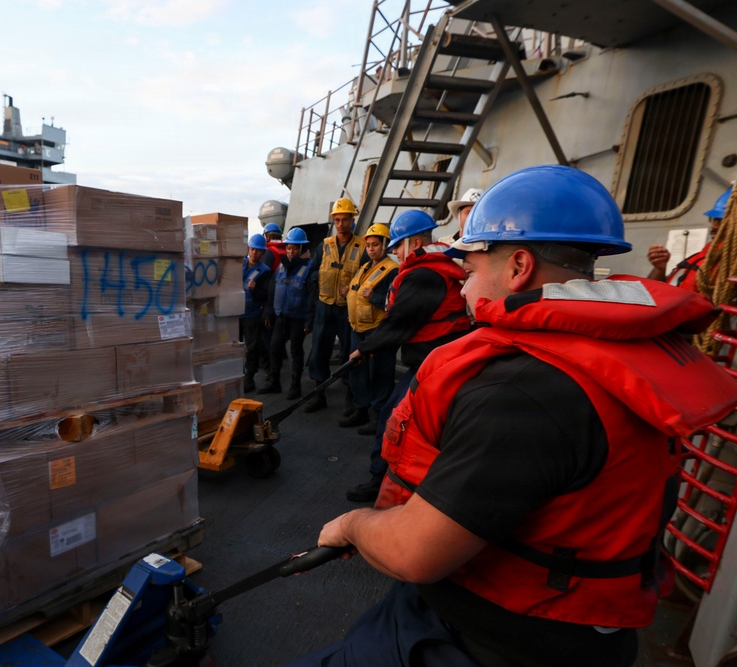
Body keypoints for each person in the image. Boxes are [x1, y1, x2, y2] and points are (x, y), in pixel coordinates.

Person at [290, 166, 737, 667]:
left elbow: (414, 552)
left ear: (519, 265)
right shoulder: (607, 353)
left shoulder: (524, 390)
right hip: (582, 635)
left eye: (471, 272)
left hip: (493, 641)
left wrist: (351, 526)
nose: (460, 290)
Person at [344, 210, 471, 503]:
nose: (396, 254)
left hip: (430, 364)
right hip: (438, 360)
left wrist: (365, 349)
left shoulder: (423, 276)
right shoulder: (434, 270)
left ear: (414, 243)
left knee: (392, 417)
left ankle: (382, 480)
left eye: (398, 246)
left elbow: (399, 322)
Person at [304, 197, 365, 414]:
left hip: (347, 309)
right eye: (337, 220)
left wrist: (354, 288)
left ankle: (350, 396)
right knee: (319, 350)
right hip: (324, 306)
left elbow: (368, 277)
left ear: (351, 220)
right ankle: (318, 394)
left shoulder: (362, 247)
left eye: (345, 219)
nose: (340, 224)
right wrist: (319, 282)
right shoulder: (325, 245)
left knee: (349, 352)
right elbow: (311, 271)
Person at [341, 224, 397, 434]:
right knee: (358, 371)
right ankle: (361, 409)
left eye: (375, 245)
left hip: (377, 331)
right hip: (358, 328)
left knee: (380, 374)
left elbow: (394, 302)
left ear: (385, 245)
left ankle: (379, 416)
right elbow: (357, 290)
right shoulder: (365, 268)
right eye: (368, 245)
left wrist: (375, 298)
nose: (371, 249)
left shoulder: (392, 271)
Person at [261, 227, 314, 399]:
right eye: (289, 248)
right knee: (275, 347)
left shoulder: (308, 269)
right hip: (281, 316)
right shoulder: (282, 267)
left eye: (295, 248)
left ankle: (295, 385)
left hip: (297, 318)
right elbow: (273, 290)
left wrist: (308, 320)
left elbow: (311, 296)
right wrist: (269, 312)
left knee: (296, 351)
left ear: (302, 249)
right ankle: (274, 382)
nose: (291, 252)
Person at [647, 186, 731, 291]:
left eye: (722, 221)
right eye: (714, 220)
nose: (713, 226)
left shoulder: (731, 265)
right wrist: (660, 269)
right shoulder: (702, 256)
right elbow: (650, 292)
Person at [240, 234, 272, 393]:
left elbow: (266, 296)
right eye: (252, 249)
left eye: (258, 251)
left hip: (251, 314)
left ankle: (249, 378)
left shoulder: (264, 271)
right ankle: (237, 375)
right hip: (235, 313)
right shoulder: (240, 264)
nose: (254, 253)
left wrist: (255, 288)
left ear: (262, 253)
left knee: (252, 348)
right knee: (236, 346)